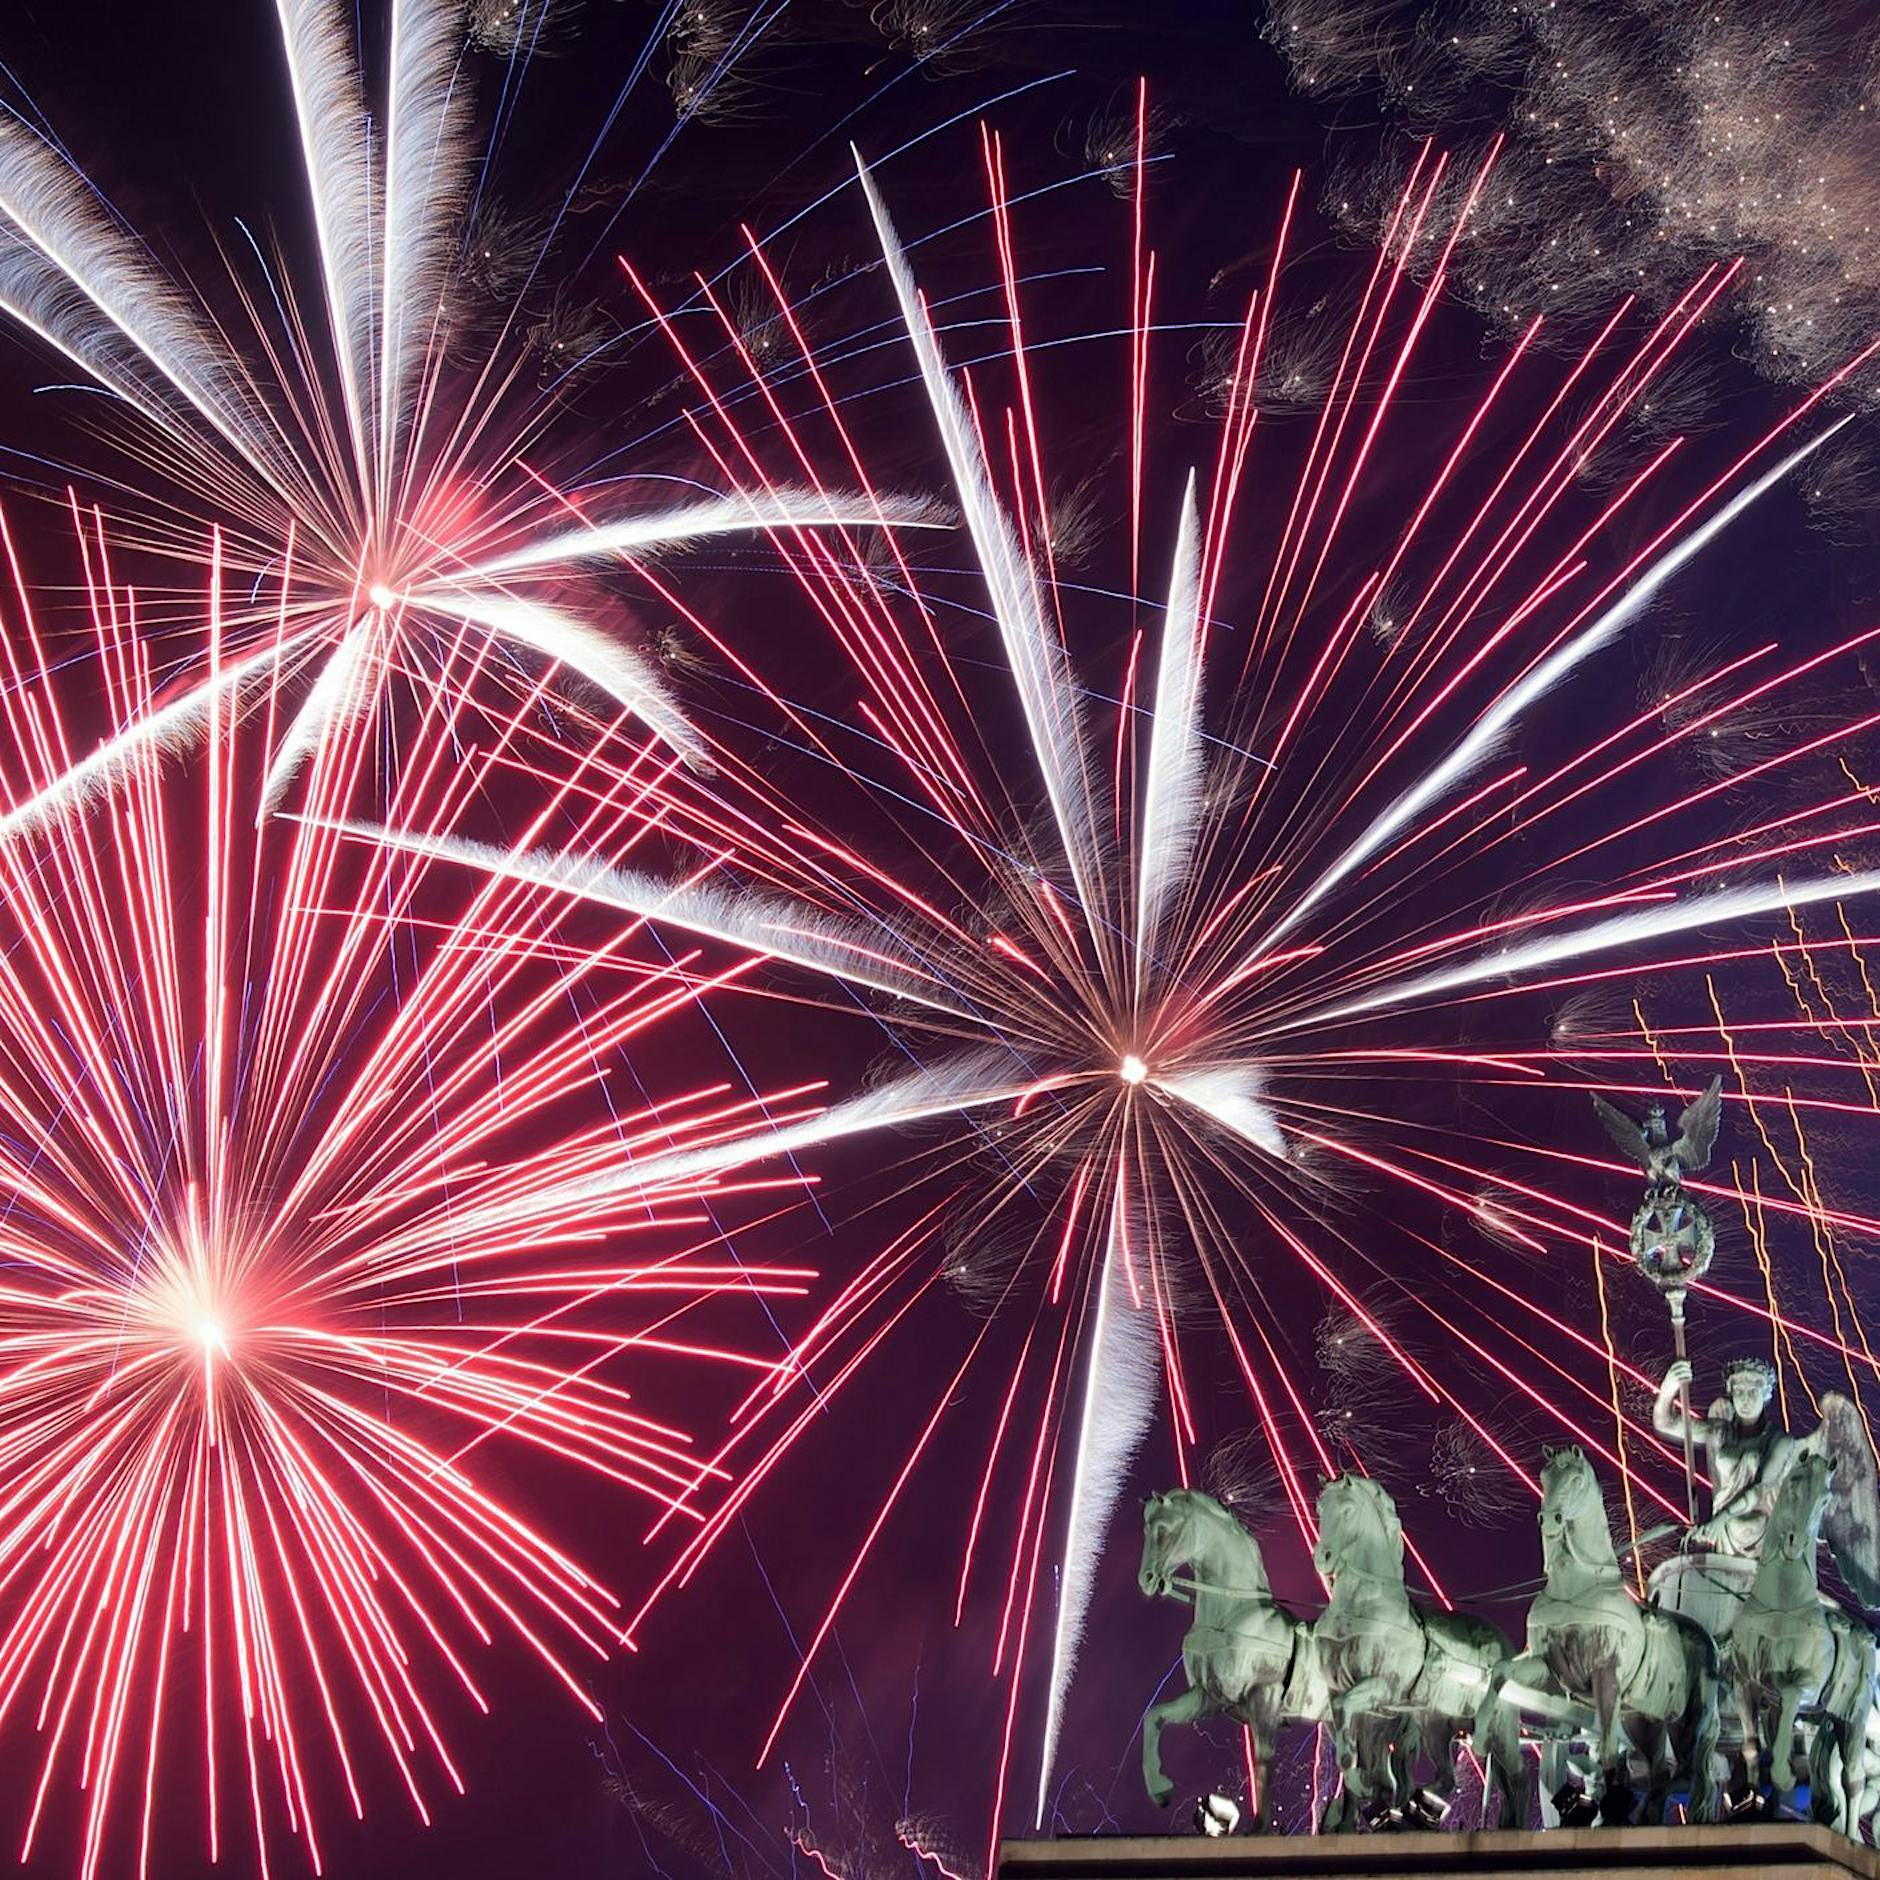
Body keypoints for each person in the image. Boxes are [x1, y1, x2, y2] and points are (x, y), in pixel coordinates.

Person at [1654, 1355, 1803, 1556]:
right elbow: (1666, 1423)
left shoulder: (1780, 1442)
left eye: (1753, 1392)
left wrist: (1722, 1518)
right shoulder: (1720, 1433)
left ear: (1765, 1394)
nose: (1745, 1400)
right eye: (1739, 1392)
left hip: (1758, 1532)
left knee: (1740, 1526)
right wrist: (1669, 1388)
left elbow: (1762, 1488)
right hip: (1721, 1531)